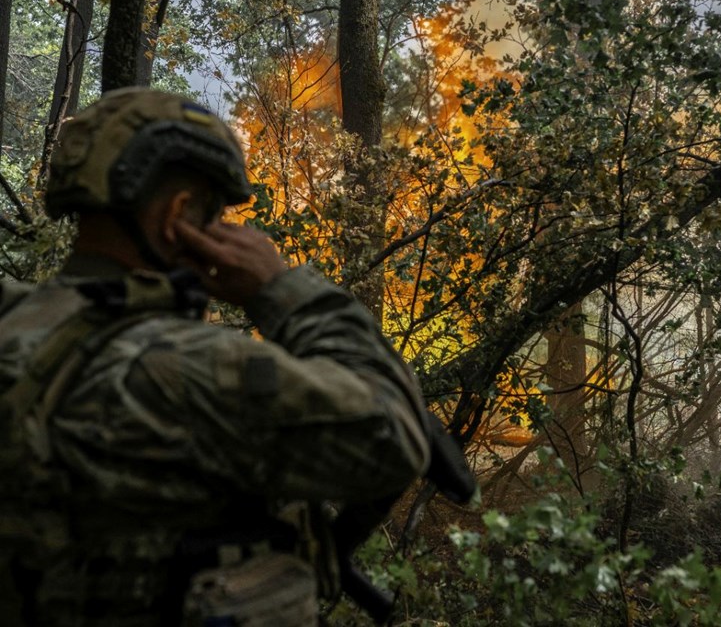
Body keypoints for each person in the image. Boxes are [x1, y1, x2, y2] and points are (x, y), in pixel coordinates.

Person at [0, 87, 431, 626]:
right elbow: (393, 435)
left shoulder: (12, 322)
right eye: (217, 215)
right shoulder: (181, 366)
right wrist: (282, 288)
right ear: (179, 216)